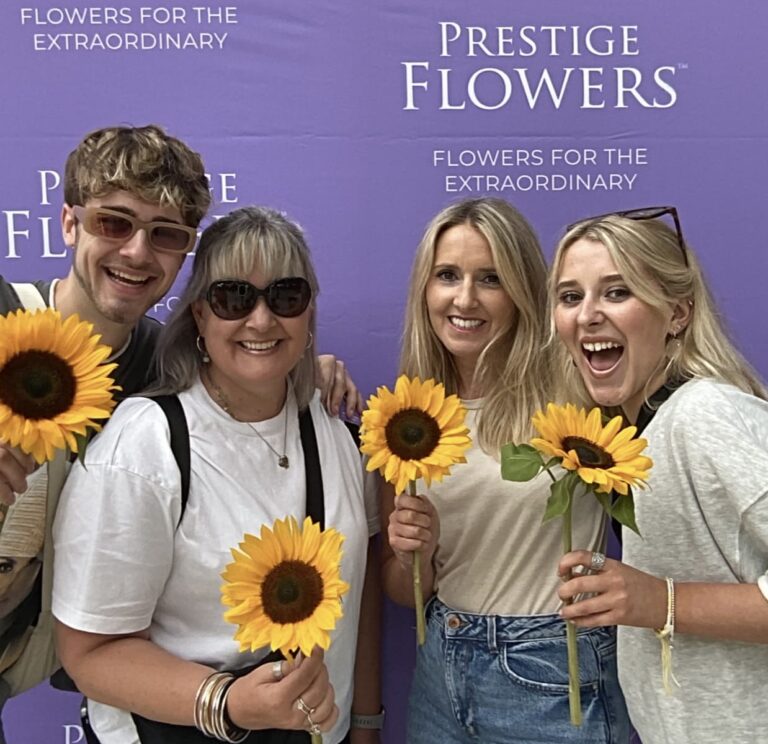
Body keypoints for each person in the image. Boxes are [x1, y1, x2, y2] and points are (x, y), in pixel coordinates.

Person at [0, 125, 361, 733]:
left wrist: (291, 360)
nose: (138, 252)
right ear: (68, 223)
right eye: (114, 223)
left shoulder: (150, 372)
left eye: (164, 235)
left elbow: (243, 362)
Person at [51, 206, 381, 744]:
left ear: (309, 313)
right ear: (201, 315)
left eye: (286, 296)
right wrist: (226, 702)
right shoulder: (143, 448)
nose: (261, 320)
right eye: (234, 298)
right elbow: (89, 652)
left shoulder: (337, 434)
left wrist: (365, 724)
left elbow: (358, 603)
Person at [382, 198, 630, 743]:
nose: (464, 298)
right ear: (425, 289)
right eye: (447, 276)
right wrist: (410, 557)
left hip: (551, 669)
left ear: (521, 289)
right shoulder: (408, 417)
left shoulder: (579, 390)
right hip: (439, 671)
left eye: (490, 278)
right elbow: (405, 592)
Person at [550, 207, 768, 744]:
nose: (587, 315)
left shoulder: (706, 413)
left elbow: (663, 600)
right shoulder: (639, 433)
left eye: (617, 292)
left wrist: (661, 602)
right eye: (570, 296)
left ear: (678, 313)